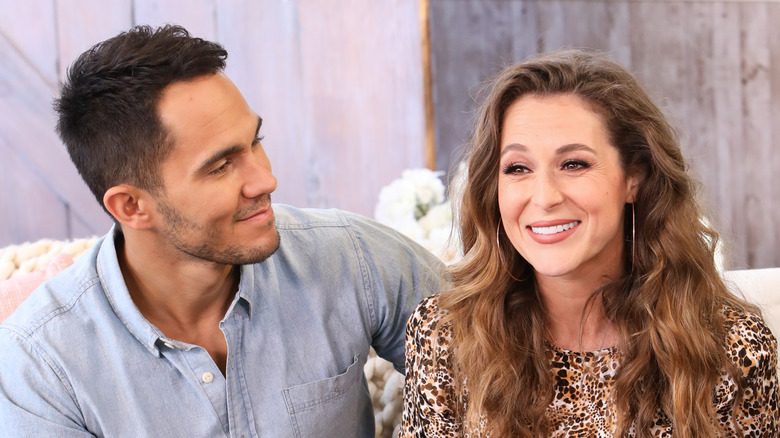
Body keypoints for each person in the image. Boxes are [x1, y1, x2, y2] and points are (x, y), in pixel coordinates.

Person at [0, 25, 444, 437]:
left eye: (255, 142)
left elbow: (497, 363)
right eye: (221, 166)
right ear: (132, 206)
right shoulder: (41, 367)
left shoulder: (350, 256)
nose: (265, 180)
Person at [400, 49, 778, 437]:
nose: (544, 196)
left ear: (634, 178)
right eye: (518, 168)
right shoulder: (446, 336)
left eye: (574, 164)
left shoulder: (730, 349)